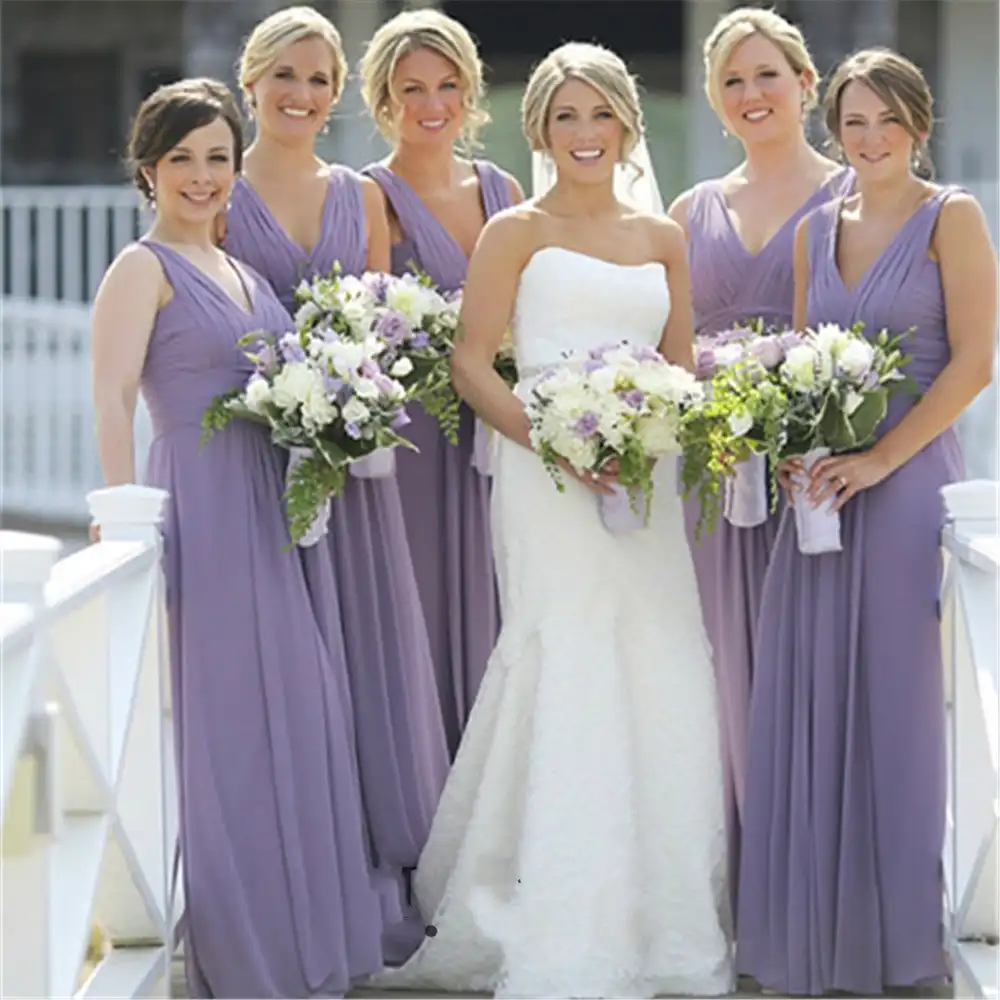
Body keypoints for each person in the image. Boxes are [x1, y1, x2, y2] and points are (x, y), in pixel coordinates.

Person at [370, 42, 734, 1000]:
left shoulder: (664, 237)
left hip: (642, 488)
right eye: (565, 117)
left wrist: (652, 425)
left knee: (655, 659)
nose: (584, 134)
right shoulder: (514, 233)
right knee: (565, 653)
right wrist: (556, 439)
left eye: (599, 115)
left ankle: (663, 919)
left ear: (625, 124)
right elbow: (473, 363)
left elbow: (682, 364)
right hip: (545, 477)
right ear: (539, 127)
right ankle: (551, 912)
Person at [90, 78, 392, 998]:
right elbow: (110, 395)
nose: (203, 175)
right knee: (228, 731)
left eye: (217, 157)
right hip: (203, 503)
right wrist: (127, 517)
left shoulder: (248, 275)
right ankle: (245, 955)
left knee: (299, 711)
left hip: (276, 505)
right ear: (150, 169)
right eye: (182, 157)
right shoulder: (142, 267)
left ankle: (305, 937)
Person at [738, 48, 997, 996]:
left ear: (918, 125)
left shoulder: (951, 217)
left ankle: (898, 943)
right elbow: (803, 362)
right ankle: (813, 931)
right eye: (854, 122)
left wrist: (880, 461)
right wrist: (795, 450)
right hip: (821, 492)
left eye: (888, 119)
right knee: (811, 693)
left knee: (894, 706)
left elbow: (974, 364)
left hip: (905, 484)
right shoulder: (814, 232)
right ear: (832, 129)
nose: (871, 138)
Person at [221, 7, 449, 962]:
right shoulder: (215, 187)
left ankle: (382, 869)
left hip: (355, 469)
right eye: (285, 75)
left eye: (319, 79)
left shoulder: (364, 194)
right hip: (253, 465)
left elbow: (386, 329)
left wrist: (353, 408)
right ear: (251, 82)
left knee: (368, 658)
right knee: (285, 678)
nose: (302, 95)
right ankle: (292, 878)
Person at [667, 7, 851, 899]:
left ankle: (810, 880)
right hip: (714, 474)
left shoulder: (854, 194)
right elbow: (666, 347)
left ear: (807, 84)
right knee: (720, 671)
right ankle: (736, 886)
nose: (752, 94)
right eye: (733, 80)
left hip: (813, 472)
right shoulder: (689, 210)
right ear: (714, 98)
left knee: (812, 676)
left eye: (768, 74)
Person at [359, 8, 523, 755]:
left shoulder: (502, 187)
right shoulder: (370, 194)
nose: (432, 105)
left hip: (497, 428)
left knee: (503, 602)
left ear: (471, 92)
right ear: (384, 101)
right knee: (420, 604)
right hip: (417, 439)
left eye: (448, 85)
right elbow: (366, 323)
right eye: (412, 88)